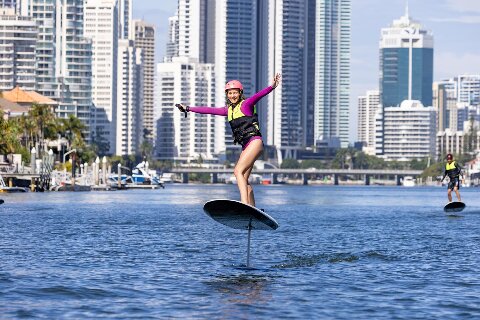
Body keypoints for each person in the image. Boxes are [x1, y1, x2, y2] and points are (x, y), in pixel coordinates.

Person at [176, 73, 281, 206]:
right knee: (243, 178)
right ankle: (253, 209)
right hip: (246, 146)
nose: (232, 95)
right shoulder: (228, 110)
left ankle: (244, 205)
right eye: (229, 93)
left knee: (237, 171)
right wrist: (188, 108)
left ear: (240, 93)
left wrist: (272, 86)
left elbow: (258, 96)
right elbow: (208, 110)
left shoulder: (246, 104)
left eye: (235, 93)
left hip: (254, 142)